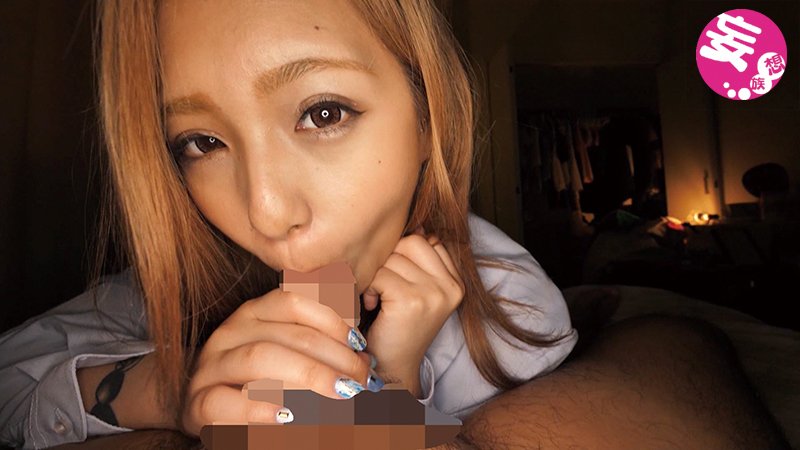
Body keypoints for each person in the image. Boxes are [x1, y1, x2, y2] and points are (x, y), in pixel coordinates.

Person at [0, 0, 579, 448]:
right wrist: (175, 386)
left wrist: (390, 385)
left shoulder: (509, 308)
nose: (266, 213)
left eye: (323, 113)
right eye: (203, 143)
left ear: (429, 118)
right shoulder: (188, 273)